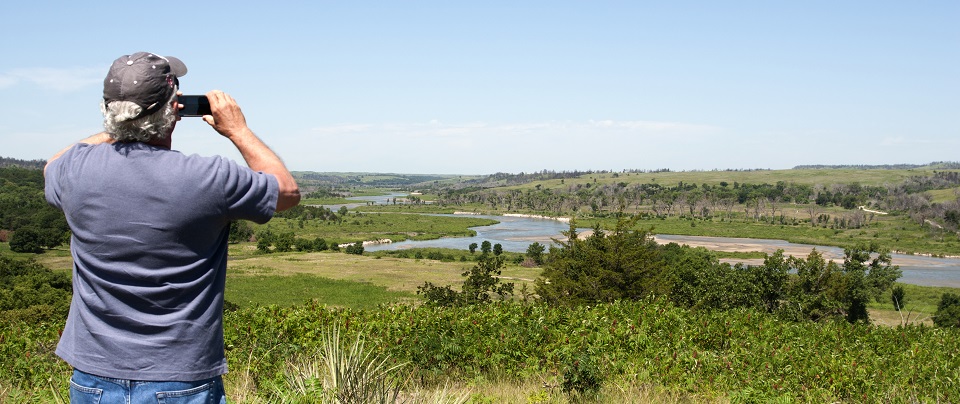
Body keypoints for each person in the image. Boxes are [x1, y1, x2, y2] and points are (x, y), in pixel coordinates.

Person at [43, 51, 300, 402]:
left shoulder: (74, 171)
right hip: (180, 379)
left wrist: (119, 127)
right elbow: (286, 191)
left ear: (107, 109)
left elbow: (51, 164)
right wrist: (238, 130)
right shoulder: (207, 178)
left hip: (94, 378)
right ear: (174, 109)